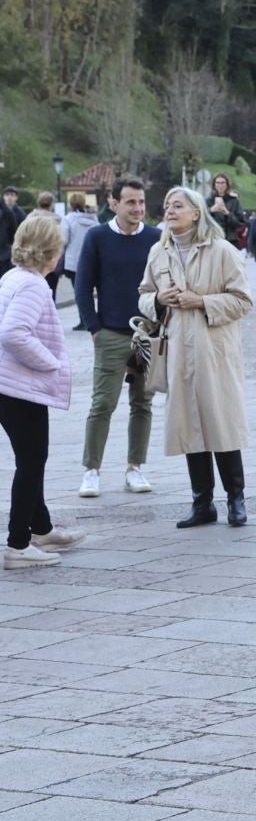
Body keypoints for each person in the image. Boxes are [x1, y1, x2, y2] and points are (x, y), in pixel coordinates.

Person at [139, 186, 253, 527]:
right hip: (177, 351)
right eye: (167, 205)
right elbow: (143, 296)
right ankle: (202, 502)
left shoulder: (222, 251)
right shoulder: (158, 253)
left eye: (178, 205)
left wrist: (202, 301)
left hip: (214, 351)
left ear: (196, 212)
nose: (169, 210)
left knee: (222, 422)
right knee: (189, 424)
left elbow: (243, 301)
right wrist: (160, 299)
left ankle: (236, 498)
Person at [1, 215, 83, 569]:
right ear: (51, 251)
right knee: (32, 461)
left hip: (9, 384)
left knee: (31, 459)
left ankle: (42, 528)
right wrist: (50, 362)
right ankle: (19, 544)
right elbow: (14, 333)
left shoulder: (13, 277)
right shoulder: (34, 285)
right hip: (19, 387)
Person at [73, 178, 158, 497]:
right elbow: (83, 286)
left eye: (141, 202)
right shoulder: (97, 237)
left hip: (145, 335)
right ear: (114, 203)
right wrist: (94, 328)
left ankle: (135, 468)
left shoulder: (155, 238)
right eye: (130, 202)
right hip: (110, 333)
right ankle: (91, 470)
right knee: (103, 403)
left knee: (142, 402)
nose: (137, 208)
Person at [58, 193, 95, 328]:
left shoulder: (68, 219)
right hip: (92, 259)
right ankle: (92, 319)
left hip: (74, 261)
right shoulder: (93, 219)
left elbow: (63, 239)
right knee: (91, 290)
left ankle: (83, 320)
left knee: (79, 291)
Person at [207, 173, 247, 249]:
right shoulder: (208, 201)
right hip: (213, 239)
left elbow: (240, 222)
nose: (220, 185)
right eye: (218, 183)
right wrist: (211, 210)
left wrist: (227, 213)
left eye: (223, 183)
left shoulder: (234, 201)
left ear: (227, 185)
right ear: (214, 184)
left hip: (231, 240)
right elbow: (200, 220)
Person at [0, 187, 25, 266]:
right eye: (7, 195)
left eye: (12, 195)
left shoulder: (20, 214)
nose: (9, 197)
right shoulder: (2, 212)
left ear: (16, 197)